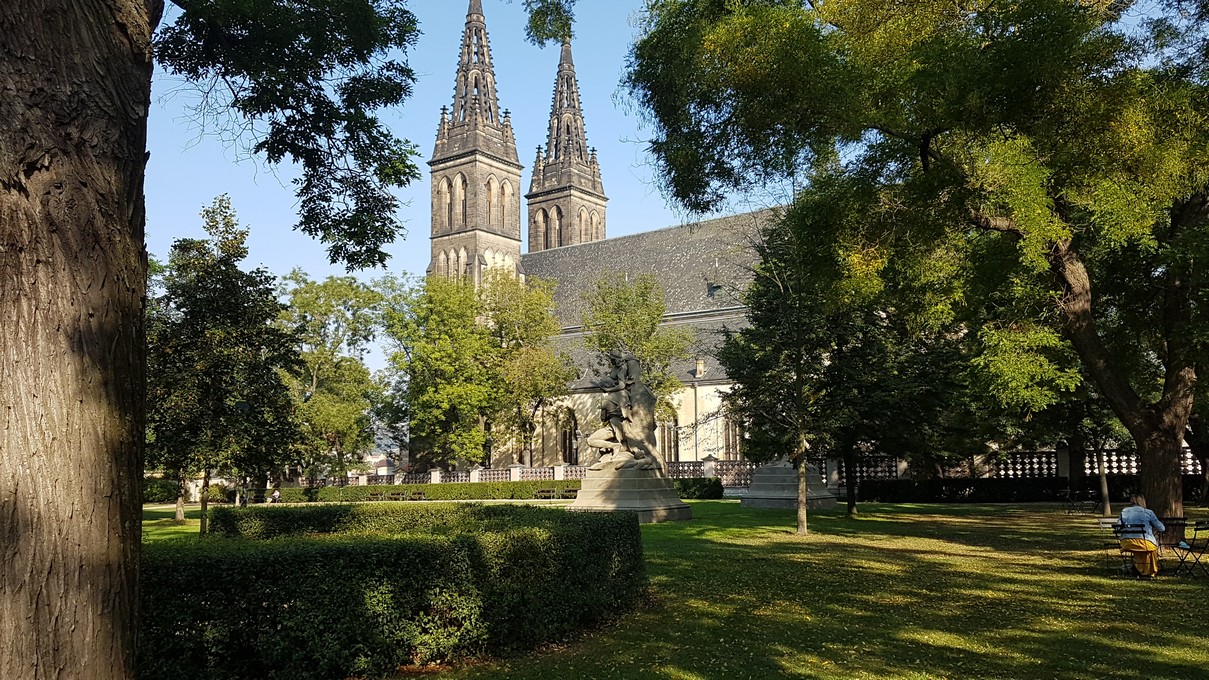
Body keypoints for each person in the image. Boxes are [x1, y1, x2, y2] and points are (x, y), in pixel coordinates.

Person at [1118, 493, 1166, 577]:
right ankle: (1149, 570)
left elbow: (1118, 528)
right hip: (1144, 543)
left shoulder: (1124, 511)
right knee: (1151, 546)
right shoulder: (1148, 512)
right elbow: (1162, 528)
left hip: (1127, 543)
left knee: (1143, 548)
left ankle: (1139, 568)